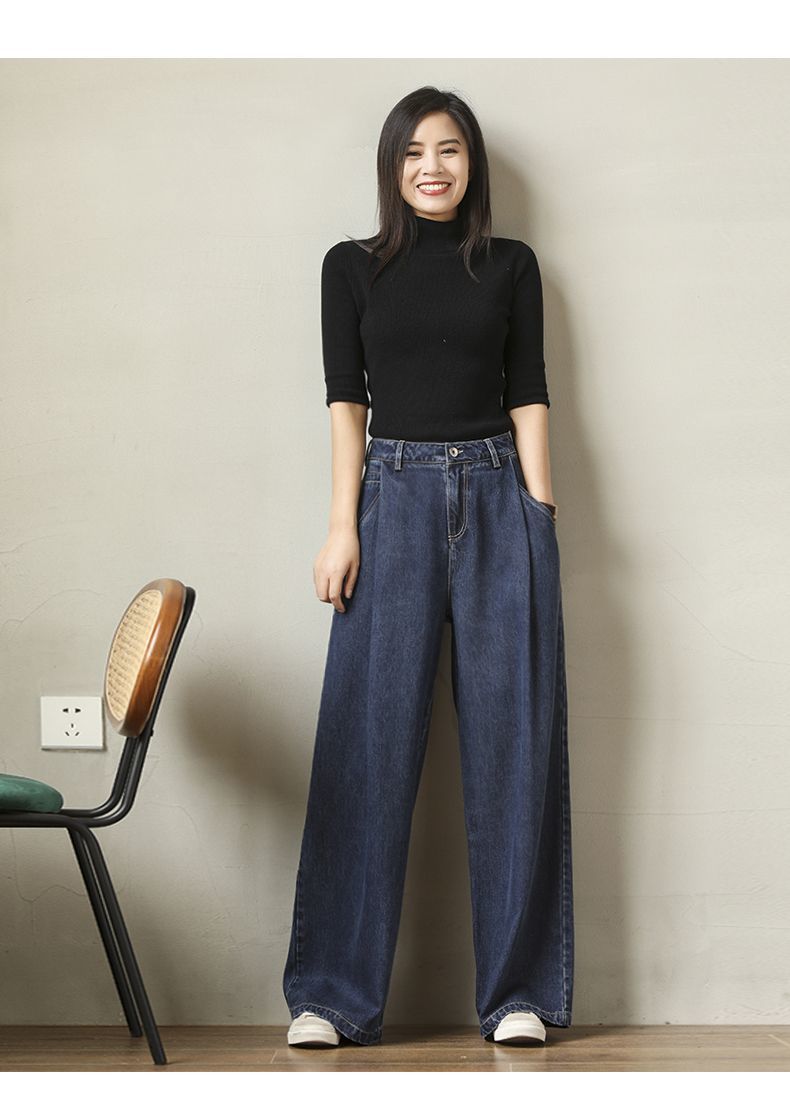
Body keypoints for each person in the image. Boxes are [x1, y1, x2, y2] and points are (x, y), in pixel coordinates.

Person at [283, 86, 573, 1049]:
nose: (431, 168)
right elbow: (346, 405)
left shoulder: (513, 266)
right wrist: (342, 526)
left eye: (448, 150)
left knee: (514, 748)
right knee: (365, 748)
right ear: (392, 167)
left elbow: (529, 393)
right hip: (392, 498)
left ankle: (519, 994)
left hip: (498, 496)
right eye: (413, 153)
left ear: (471, 162)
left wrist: (539, 515)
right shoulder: (351, 267)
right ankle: (332, 996)